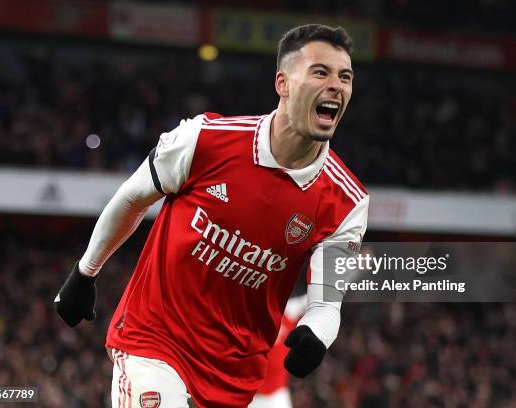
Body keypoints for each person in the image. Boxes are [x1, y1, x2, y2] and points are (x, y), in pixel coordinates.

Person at [54, 23, 369, 408]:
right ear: (283, 83)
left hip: (233, 376)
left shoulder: (347, 202)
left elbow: (324, 304)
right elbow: (132, 198)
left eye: (345, 76)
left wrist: (316, 334)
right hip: (154, 341)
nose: (337, 85)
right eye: (321, 72)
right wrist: (85, 272)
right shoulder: (206, 139)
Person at [249, 295, 307, 408]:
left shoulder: (288, 310)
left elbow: (315, 297)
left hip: (276, 395)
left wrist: (338, 281)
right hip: (249, 394)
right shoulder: (249, 314)